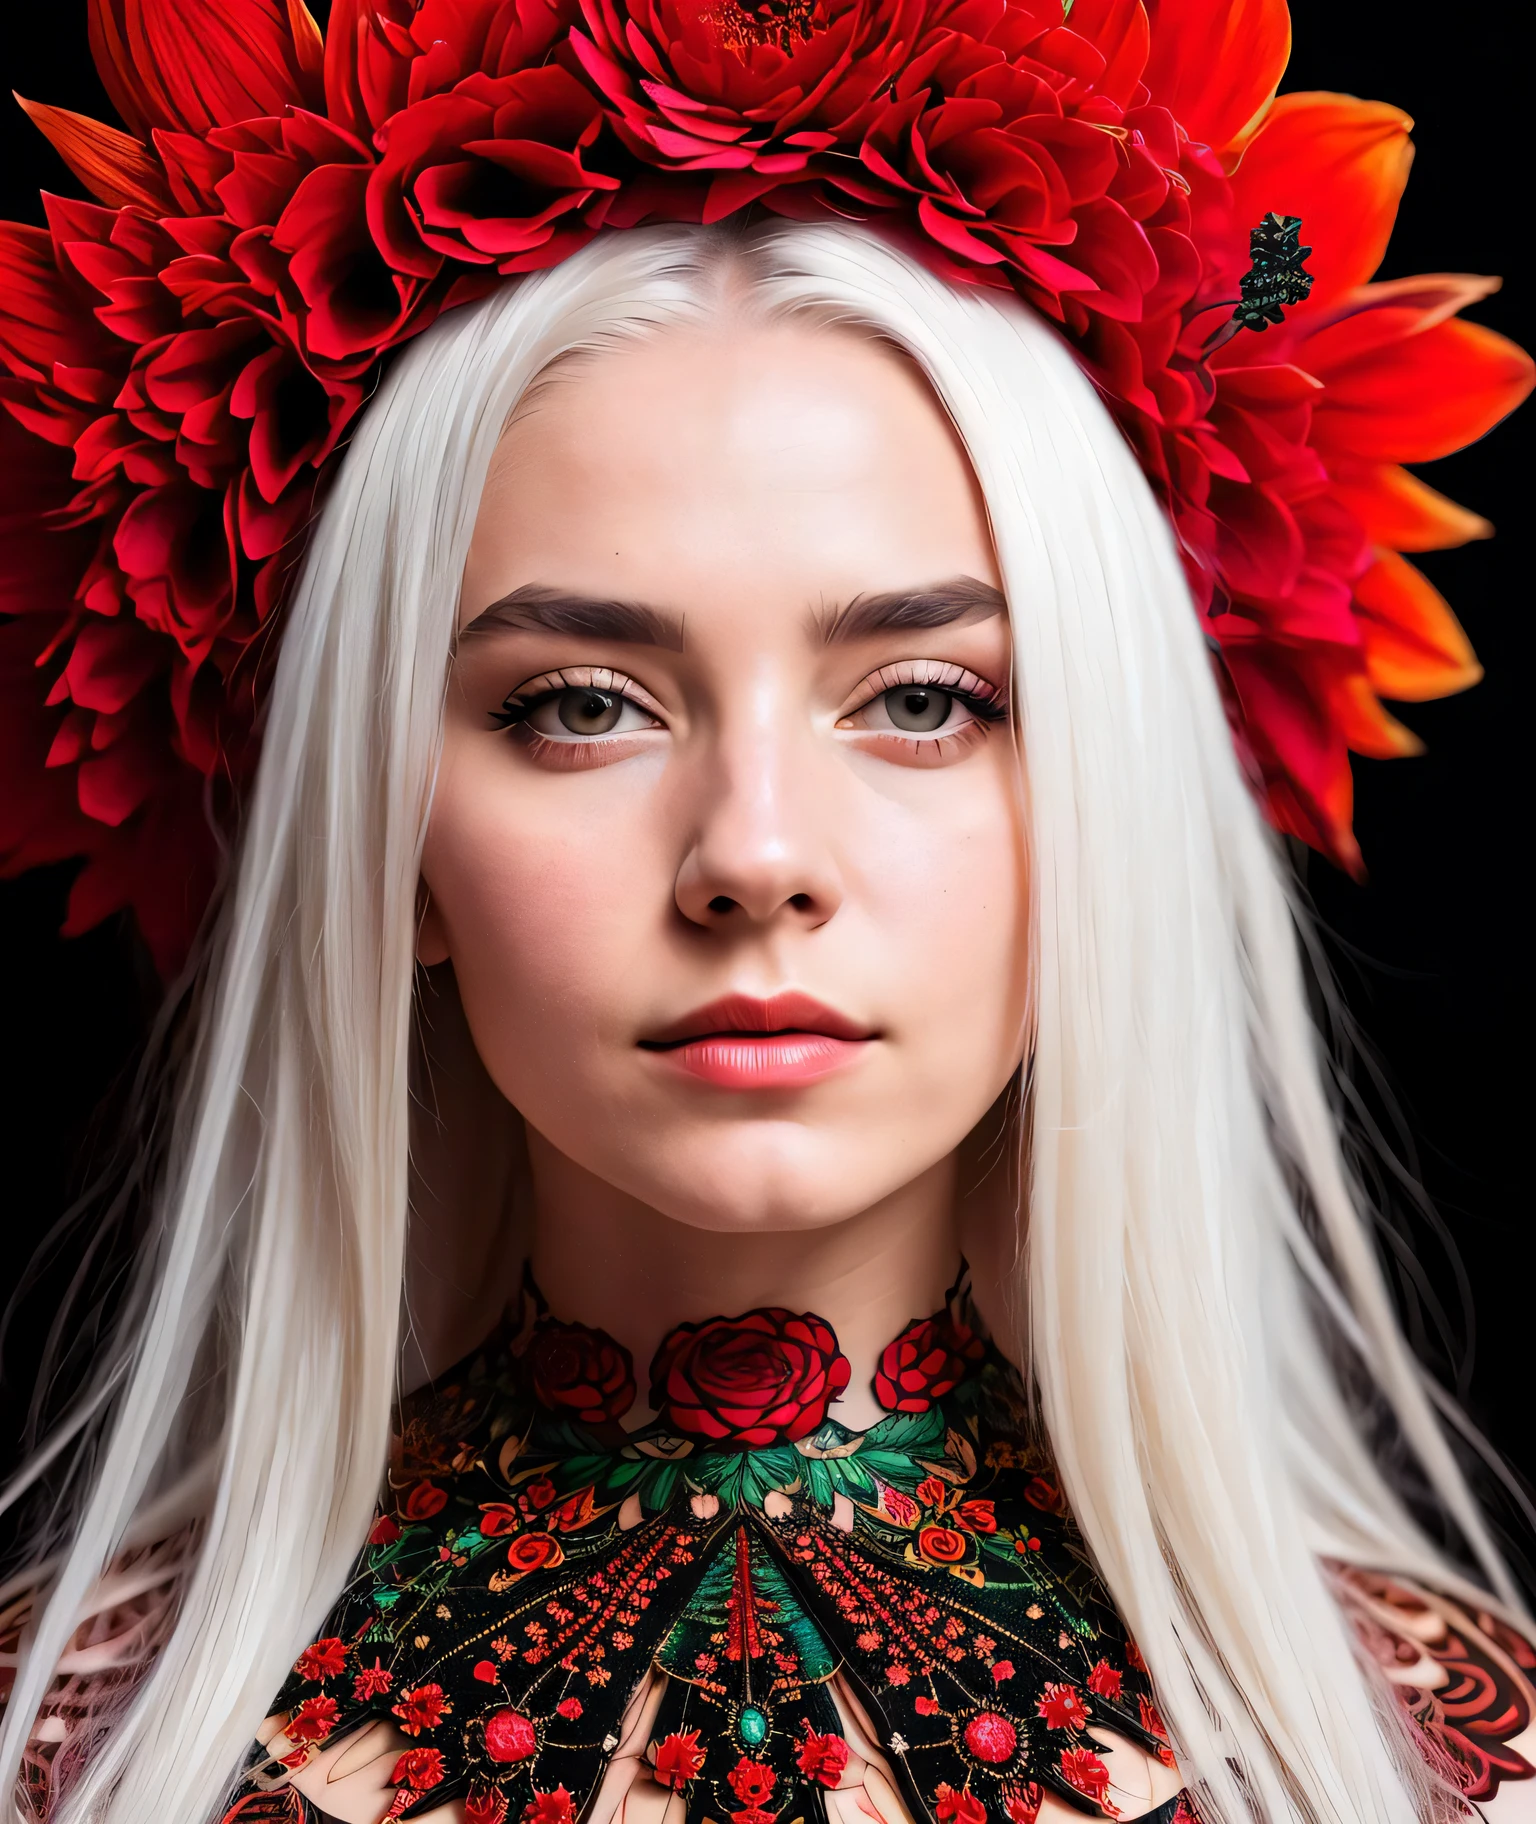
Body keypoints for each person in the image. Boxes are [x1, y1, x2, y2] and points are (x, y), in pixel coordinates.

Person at [0, 3, 1531, 1823]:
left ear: (1113, 801)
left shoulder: (1454, 1759)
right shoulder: (56, 1754)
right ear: (385, 836)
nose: (754, 856)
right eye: (580, 705)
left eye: (923, 699)